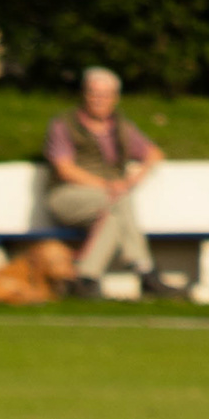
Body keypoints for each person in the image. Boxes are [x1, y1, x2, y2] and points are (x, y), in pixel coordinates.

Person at [44, 66, 180, 299]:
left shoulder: (121, 128)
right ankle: (145, 271)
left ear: (115, 98)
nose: (99, 99)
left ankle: (86, 279)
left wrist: (132, 179)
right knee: (119, 200)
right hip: (67, 196)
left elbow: (153, 153)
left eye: (105, 95)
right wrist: (108, 186)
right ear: (84, 94)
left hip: (109, 201)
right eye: (94, 93)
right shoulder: (64, 125)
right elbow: (65, 170)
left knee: (113, 216)